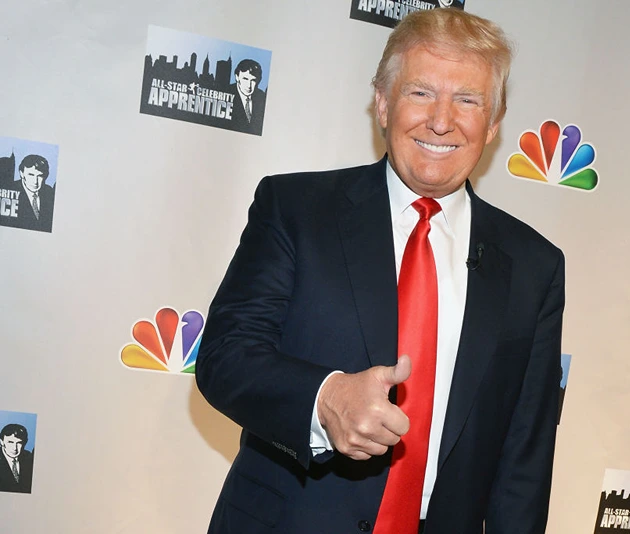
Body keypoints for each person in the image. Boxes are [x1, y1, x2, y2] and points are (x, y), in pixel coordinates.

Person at [196, 9, 564, 534]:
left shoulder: (535, 266)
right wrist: (324, 399)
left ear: (494, 124)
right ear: (383, 103)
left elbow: (524, 461)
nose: (442, 120)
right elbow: (224, 358)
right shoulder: (295, 209)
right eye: (420, 93)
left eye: (468, 99)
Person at [12, 154, 55, 233]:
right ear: (21, 174)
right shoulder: (11, 190)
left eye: (40, 176)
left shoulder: (49, 192)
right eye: (31, 175)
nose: (35, 181)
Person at [229, 59, 267, 135]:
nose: (249, 85)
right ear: (237, 77)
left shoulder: (262, 97)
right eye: (245, 79)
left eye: (253, 80)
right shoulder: (226, 92)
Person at [0, 424, 34, 493]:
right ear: (1, 442)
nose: (14, 448)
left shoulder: (29, 458)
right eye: (10, 442)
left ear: (25, 442)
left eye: (19, 443)